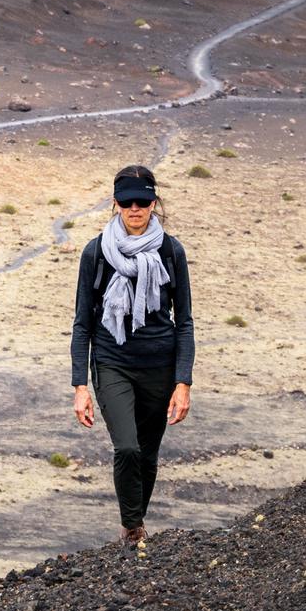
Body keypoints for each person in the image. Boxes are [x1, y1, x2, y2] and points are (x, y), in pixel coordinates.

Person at [69, 163, 192, 551]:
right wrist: (80, 386)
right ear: (115, 203)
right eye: (127, 202)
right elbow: (82, 323)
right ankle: (133, 527)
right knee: (127, 448)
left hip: (159, 366)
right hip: (112, 362)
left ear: (154, 203)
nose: (134, 209)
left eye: (142, 202)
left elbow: (184, 321)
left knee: (149, 456)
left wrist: (183, 382)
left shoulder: (171, 251)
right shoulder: (96, 253)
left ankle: (134, 527)